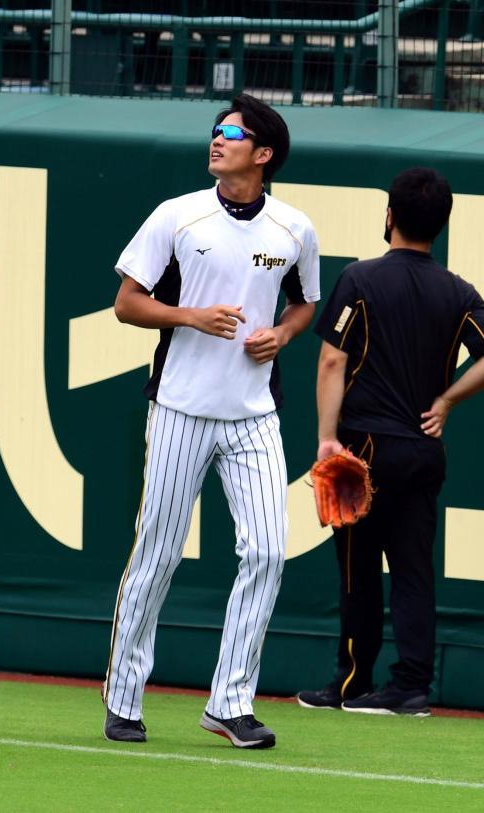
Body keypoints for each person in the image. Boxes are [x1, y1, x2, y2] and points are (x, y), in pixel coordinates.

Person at [102, 94, 320, 749]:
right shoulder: (177, 215)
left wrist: (282, 332)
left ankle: (230, 702)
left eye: (233, 133)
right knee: (157, 553)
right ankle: (124, 698)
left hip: (255, 414)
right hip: (179, 409)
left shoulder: (293, 228)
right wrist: (190, 315)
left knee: (268, 550)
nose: (218, 139)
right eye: (217, 130)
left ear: (264, 154)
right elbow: (126, 303)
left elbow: (306, 302)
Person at [297, 167, 484, 716]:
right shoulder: (459, 291)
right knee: (413, 568)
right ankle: (410, 686)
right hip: (424, 451)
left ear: (390, 216)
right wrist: (446, 402)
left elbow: (333, 358)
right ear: (442, 224)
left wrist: (327, 438)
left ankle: (353, 681)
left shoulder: (360, 278)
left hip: (366, 449)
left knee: (358, 568)